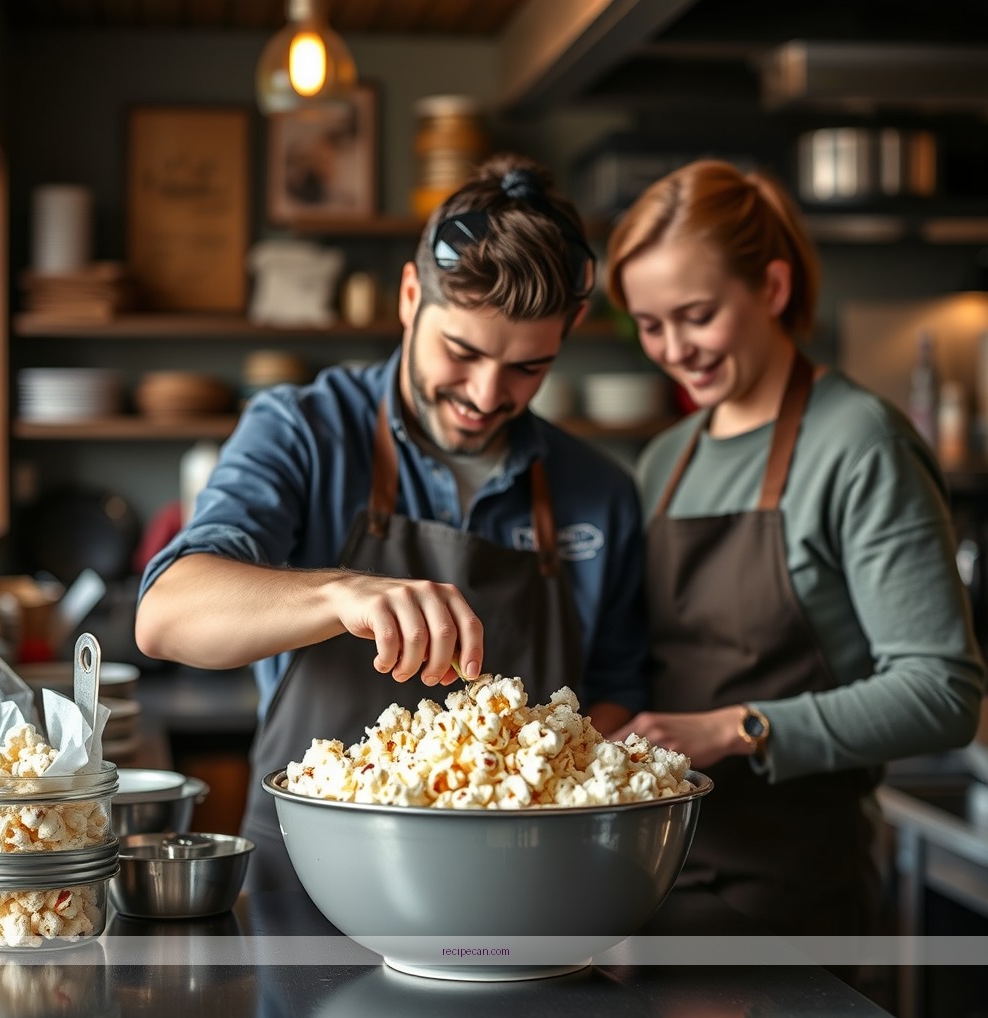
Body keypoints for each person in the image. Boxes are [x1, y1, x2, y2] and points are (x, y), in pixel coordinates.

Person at [135, 153, 648, 891]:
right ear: (411, 296)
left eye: (528, 368)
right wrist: (341, 593)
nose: (485, 394)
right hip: (311, 870)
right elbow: (165, 615)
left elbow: (617, 688)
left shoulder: (599, 492)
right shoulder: (303, 431)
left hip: (519, 876)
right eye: (461, 351)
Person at [605, 158, 986, 936]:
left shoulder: (860, 442)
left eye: (697, 315)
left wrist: (734, 727)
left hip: (791, 888)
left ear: (773, 288)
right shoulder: (667, 458)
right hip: (651, 870)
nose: (674, 349)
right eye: (650, 325)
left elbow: (943, 693)